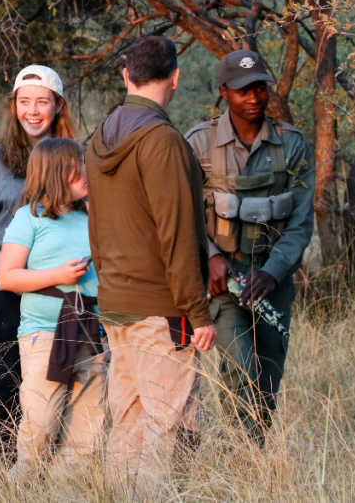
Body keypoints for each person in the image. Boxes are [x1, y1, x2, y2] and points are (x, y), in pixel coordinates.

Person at [85, 36, 216, 491]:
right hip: (163, 308)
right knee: (171, 424)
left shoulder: (100, 138)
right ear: (176, 78)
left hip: (116, 302)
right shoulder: (162, 141)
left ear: (126, 76)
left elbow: (96, 230)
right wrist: (197, 313)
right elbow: (178, 235)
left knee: (129, 419)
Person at [185, 49, 315, 445]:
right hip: (224, 280)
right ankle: (243, 455)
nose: (254, 97)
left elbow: (300, 222)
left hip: (272, 278)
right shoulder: (199, 142)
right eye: (243, 90)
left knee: (269, 375)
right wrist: (211, 258)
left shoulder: (291, 145)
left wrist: (273, 272)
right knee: (240, 367)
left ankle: (253, 455)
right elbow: (184, 213)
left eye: (260, 87)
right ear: (224, 91)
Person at [0, 64, 75, 464]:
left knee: (57, 385)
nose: (33, 111)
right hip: (2, 292)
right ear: (13, 106)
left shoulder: (73, 160)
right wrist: (8, 271)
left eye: (41, 102)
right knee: (3, 385)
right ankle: (5, 472)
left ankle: (53, 472)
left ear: (58, 106)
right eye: (24, 102)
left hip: (60, 291)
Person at [0, 137, 105, 477]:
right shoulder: (28, 218)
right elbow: (7, 277)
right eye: (78, 166)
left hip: (93, 331)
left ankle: (68, 491)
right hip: (45, 333)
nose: (86, 172)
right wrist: (58, 275)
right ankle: (21, 489)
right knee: (40, 428)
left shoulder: (92, 216)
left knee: (87, 436)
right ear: (58, 172)